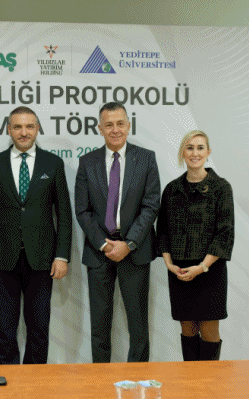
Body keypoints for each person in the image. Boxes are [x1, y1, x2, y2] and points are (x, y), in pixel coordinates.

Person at [0, 106, 72, 365]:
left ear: (38, 129)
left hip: (42, 260)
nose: (24, 132)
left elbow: (64, 214)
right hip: (2, 260)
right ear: (9, 130)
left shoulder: (53, 164)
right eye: (17, 127)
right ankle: (10, 381)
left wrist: (62, 255)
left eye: (29, 126)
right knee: (4, 330)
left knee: (39, 329)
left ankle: (35, 383)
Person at [75, 102, 160, 363]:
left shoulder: (146, 158)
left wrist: (129, 243)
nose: (115, 130)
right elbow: (82, 210)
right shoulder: (87, 162)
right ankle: (101, 380)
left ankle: (139, 379)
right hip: (99, 252)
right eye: (109, 125)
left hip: (135, 251)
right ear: (100, 128)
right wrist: (104, 244)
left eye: (120, 123)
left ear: (128, 126)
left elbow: (151, 205)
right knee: (99, 326)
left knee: (138, 326)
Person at [156, 130, 234, 361]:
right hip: (179, 272)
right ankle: (190, 382)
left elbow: (225, 234)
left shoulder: (221, 187)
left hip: (210, 271)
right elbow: (163, 230)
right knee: (188, 330)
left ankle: (210, 383)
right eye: (189, 147)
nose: (195, 153)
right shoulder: (171, 189)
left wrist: (202, 267)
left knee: (209, 332)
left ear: (208, 152)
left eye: (200, 148)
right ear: (183, 152)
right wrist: (169, 264)